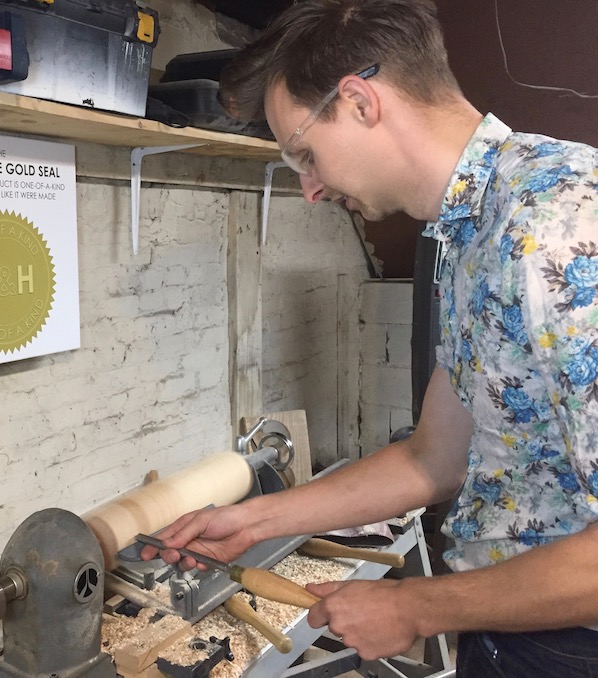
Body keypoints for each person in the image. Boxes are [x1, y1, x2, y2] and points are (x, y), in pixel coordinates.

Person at [141, 1, 598, 674]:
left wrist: (418, 608)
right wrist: (256, 521)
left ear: (358, 101)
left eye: (305, 154)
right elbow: (432, 460)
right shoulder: (474, 233)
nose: (309, 189)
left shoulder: (555, 230)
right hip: (510, 632)